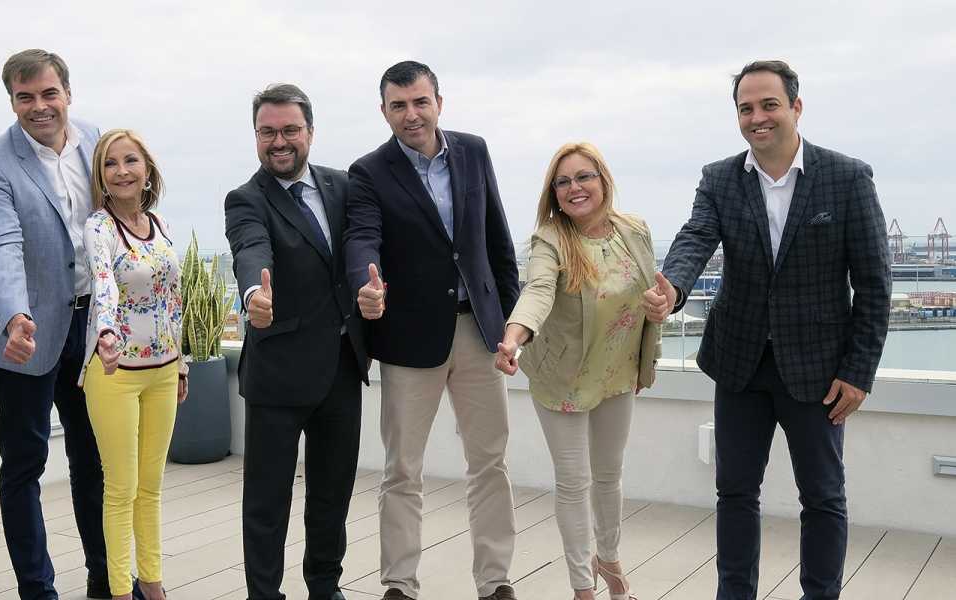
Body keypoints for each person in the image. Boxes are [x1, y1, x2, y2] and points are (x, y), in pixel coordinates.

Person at [643, 60, 891, 600]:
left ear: (796, 108)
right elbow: (695, 237)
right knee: (734, 493)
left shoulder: (848, 177)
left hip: (819, 369)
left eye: (768, 105)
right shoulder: (719, 178)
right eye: (746, 108)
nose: (757, 117)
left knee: (823, 497)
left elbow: (874, 283)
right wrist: (674, 289)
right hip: (740, 362)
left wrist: (858, 371)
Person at [344, 60, 521, 600]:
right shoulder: (368, 172)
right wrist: (366, 285)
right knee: (402, 469)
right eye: (398, 105)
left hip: (478, 332)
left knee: (490, 463)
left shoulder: (473, 151)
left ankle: (495, 581)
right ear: (384, 111)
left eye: (420, 102)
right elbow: (362, 238)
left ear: (439, 102)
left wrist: (511, 324)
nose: (411, 114)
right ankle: (400, 584)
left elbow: (497, 241)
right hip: (408, 339)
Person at [0, 49, 123, 599]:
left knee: (96, 460)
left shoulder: (98, 142)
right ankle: (37, 589)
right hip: (25, 334)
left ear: (68, 93)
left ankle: (107, 580)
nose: (39, 106)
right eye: (25, 97)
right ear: (11, 101)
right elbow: (3, 244)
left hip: (93, 329)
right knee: (24, 465)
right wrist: (15, 315)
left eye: (49, 93)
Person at [494, 142, 660, 600]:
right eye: (563, 182)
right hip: (562, 378)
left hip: (617, 372)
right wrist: (514, 336)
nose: (574, 188)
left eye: (584, 176)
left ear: (603, 180)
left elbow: (652, 296)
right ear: (554, 193)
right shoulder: (550, 239)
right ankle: (582, 588)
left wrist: (653, 338)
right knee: (574, 482)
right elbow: (538, 291)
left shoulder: (635, 230)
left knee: (609, 475)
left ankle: (610, 560)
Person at [224, 83, 369, 600]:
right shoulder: (246, 199)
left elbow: (363, 248)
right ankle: (264, 594)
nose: (279, 141)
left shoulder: (342, 186)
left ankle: (325, 587)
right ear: (256, 136)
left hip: (341, 368)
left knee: (332, 493)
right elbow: (250, 249)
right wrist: (252, 294)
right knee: (267, 503)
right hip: (278, 374)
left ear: (310, 131)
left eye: (290, 130)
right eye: (267, 132)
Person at [79, 129, 187, 600]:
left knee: (151, 487)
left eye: (130, 161)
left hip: (163, 371)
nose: (121, 171)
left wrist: (181, 363)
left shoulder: (158, 224)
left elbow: (172, 299)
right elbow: (103, 282)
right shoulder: (99, 227)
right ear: (100, 176)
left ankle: (153, 586)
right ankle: (121, 591)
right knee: (121, 489)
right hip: (115, 373)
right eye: (110, 163)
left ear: (147, 170)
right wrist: (106, 332)